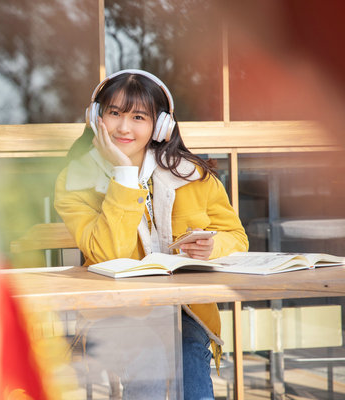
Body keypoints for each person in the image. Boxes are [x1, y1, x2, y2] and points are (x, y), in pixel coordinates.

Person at [54, 69, 249, 399]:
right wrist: (124, 175)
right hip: (114, 311)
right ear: (95, 118)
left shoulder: (192, 175)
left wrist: (213, 246)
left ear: (160, 125)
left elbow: (237, 237)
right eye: (114, 113)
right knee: (151, 354)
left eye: (138, 116)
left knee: (188, 351)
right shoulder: (77, 182)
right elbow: (107, 254)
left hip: (183, 309)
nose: (124, 127)